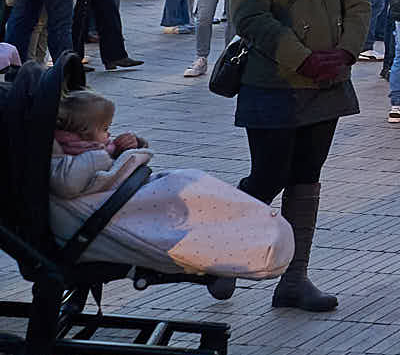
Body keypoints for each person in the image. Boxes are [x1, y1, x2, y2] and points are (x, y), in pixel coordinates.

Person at [221, 0, 371, 311]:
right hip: (274, 80)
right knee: (269, 175)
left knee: (306, 179)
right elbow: (249, 15)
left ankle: (294, 278)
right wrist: (301, 57)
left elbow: (358, 2)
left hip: (326, 82)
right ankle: (222, 253)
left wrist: (345, 52)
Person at [49, 88, 291, 288]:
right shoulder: (73, 156)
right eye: (104, 129)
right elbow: (70, 182)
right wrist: (104, 154)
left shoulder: (85, 149)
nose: (109, 134)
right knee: (184, 204)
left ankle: (249, 238)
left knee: (194, 192)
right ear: (83, 132)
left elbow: (99, 173)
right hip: (114, 209)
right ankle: (239, 250)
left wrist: (127, 147)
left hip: (129, 195)